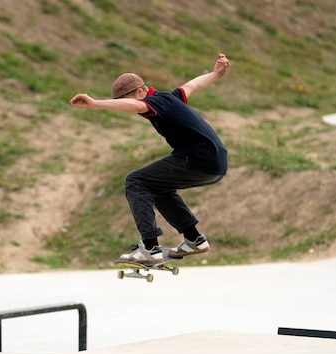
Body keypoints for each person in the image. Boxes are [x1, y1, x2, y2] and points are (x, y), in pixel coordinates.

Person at [70, 53, 231, 263]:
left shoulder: (154, 102)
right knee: (156, 185)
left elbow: (137, 105)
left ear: (140, 91)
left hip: (198, 159)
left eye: (123, 102)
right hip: (215, 162)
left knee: (135, 181)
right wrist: (215, 74)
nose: (130, 109)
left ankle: (149, 247)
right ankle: (193, 239)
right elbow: (191, 85)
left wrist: (96, 104)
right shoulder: (171, 98)